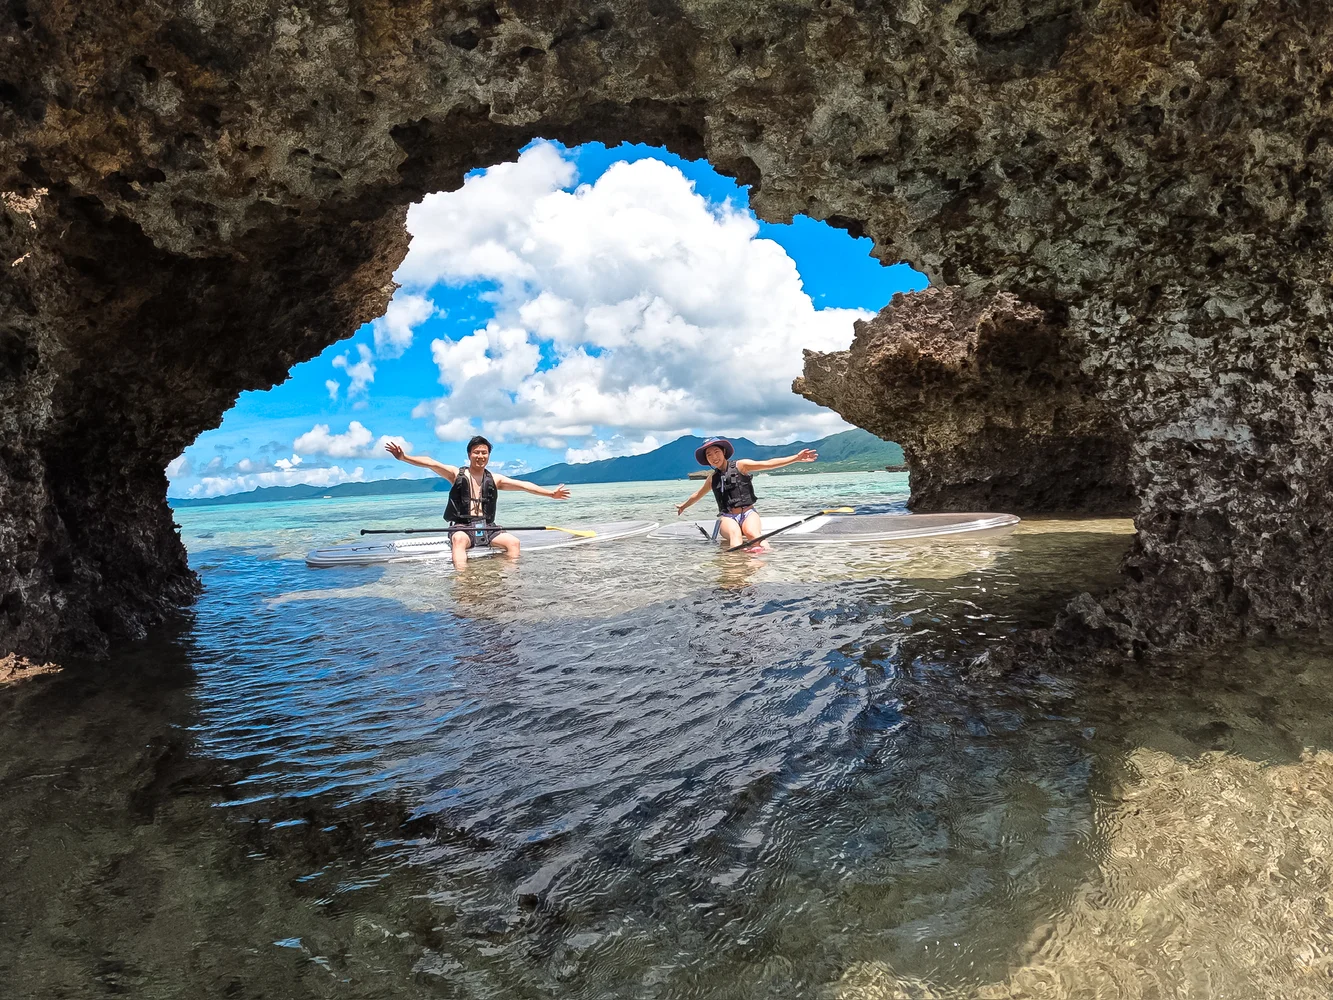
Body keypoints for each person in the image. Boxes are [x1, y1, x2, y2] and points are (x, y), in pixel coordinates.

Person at [384, 436, 570, 570]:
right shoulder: (456, 474)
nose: (480, 456)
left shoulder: (495, 479)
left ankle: (509, 577)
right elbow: (431, 463)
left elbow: (524, 486)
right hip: (462, 527)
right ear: (469, 455)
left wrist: (551, 494)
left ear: (488, 455)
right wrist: (404, 458)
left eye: (484, 453)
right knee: (458, 540)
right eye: (476, 453)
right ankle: (464, 581)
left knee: (513, 542)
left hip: (487, 527)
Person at [675, 438, 818, 549]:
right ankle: (736, 572)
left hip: (748, 513)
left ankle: (767, 563)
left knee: (753, 535)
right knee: (735, 535)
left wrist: (796, 458)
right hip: (728, 517)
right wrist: (683, 506)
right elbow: (697, 495)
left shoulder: (741, 465)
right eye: (709, 455)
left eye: (716, 452)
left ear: (723, 452)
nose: (713, 457)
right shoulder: (712, 478)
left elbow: (768, 464)